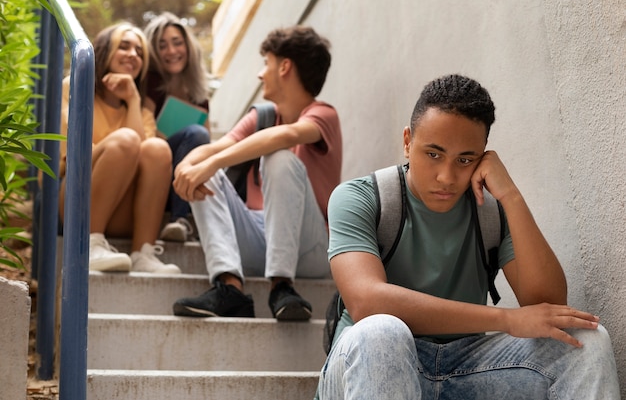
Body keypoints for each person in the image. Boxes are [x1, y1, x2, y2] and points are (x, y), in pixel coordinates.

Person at [317, 74, 620, 399]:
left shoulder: (489, 212)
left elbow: (546, 305)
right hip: (368, 367)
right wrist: (505, 319)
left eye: (465, 159)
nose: (447, 177)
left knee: (586, 340)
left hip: (465, 368)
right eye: (433, 154)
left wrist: (511, 196)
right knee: (382, 331)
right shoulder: (360, 198)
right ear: (407, 141)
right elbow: (367, 302)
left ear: (482, 157)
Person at [171, 25, 342, 320]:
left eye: (267, 64)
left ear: (285, 66)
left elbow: (283, 137)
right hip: (259, 238)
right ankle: (230, 287)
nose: (261, 74)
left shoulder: (323, 114)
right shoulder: (261, 116)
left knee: (278, 158)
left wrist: (210, 163)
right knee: (204, 172)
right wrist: (185, 168)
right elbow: (215, 149)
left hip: (312, 246)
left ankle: (281, 286)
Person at [59, 22, 181, 274]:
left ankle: (143, 253)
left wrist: (133, 100)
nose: (133, 55)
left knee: (157, 148)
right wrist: (115, 149)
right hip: (75, 200)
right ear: (104, 50)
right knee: (126, 140)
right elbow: (67, 159)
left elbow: (144, 158)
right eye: (124, 46)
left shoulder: (142, 110)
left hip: (124, 211)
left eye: (139, 52)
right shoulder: (74, 87)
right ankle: (89, 244)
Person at [143, 12, 212, 242]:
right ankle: (180, 218)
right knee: (196, 133)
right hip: (156, 165)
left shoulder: (199, 92)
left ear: (188, 46)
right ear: (154, 50)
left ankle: (183, 220)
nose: (171, 51)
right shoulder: (150, 82)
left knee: (203, 140)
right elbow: (146, 133)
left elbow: (207, 143)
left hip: (188, 170)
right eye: (162, 45)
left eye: (177, 43)